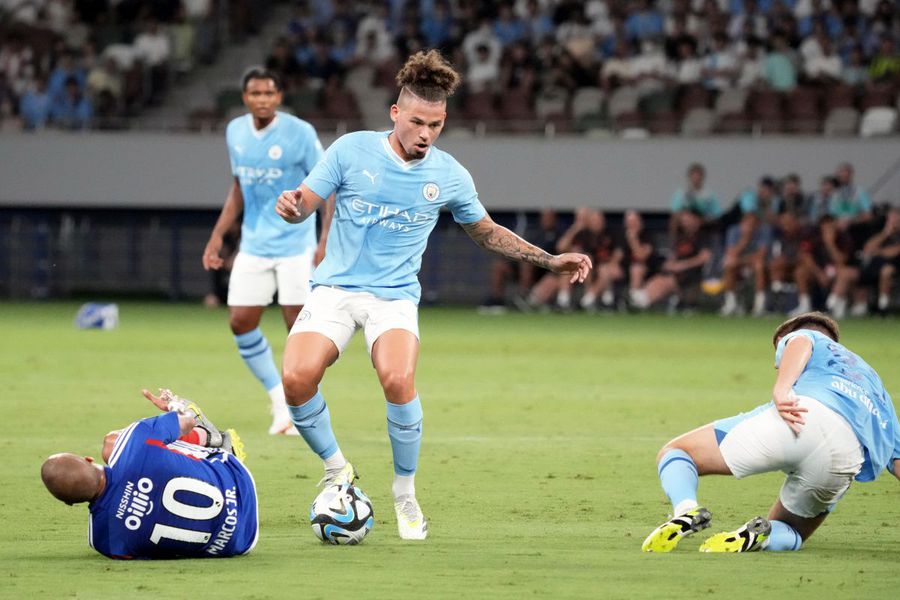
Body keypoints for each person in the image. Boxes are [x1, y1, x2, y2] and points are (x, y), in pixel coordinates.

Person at [275, 50, 592, 540]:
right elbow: (304, 204)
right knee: (296, 378)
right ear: (395, 113)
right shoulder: (350, 150)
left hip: (394, 297)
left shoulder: (448, 175)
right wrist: (293, 207)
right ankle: (337, 469)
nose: (426, 134)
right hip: (335, 287)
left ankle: (405, 492)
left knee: (397, 379)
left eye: (437, 124)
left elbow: (487, 233)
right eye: (418, 122)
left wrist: (550, 260)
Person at [643, 312, 898, 553]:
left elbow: (800, 342)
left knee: (678, 451)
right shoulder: (880, 394)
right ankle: (760, 536)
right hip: (845, 457)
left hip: (801, 415)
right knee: (793, 529)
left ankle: (686, 510)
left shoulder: (807, 336)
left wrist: (782, 388)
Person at [202, 67, 332, 435]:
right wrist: (218, 235)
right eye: (255, 94)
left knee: (298, 325)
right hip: (254, 243)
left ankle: (299, 402)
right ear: (245, 98)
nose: (262, 100)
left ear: (279, 97)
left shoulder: (299, 133)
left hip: (296, 243)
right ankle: (279, 396)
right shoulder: (235, 132)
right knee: (240, 321)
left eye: (269, 93)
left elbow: (327, 187)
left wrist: (324, 241)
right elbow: (240, 187)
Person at [41, 388, 257, 559]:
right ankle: (213, 440)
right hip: (237, 479)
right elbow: (187, 420)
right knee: (116, 444)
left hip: (237, 541)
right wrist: (176, 406)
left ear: (69, 504)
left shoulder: (103, 541)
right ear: (88, 459)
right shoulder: (134, 442)